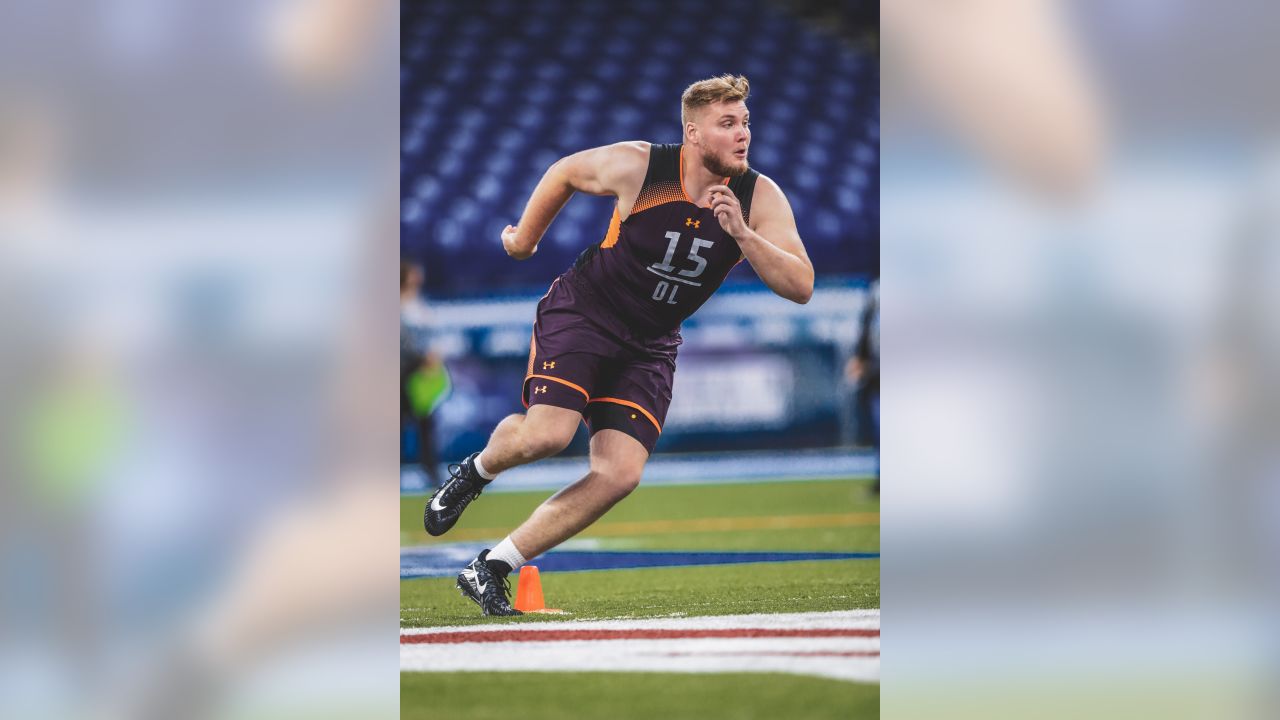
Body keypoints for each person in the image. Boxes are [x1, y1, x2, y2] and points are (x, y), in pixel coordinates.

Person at [424, 75, 814, 616]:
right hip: (586, 313)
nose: (743, 134)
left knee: (620, 474)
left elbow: (801, 285)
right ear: (694, 134)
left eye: (746, 122)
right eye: (728, 124)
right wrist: (523, 241)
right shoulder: (644, 166)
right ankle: (475, 472)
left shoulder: (758, 196)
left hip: (651, 342)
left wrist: (746, 236)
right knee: (547, 436)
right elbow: (564, 171)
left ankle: (491, 566)